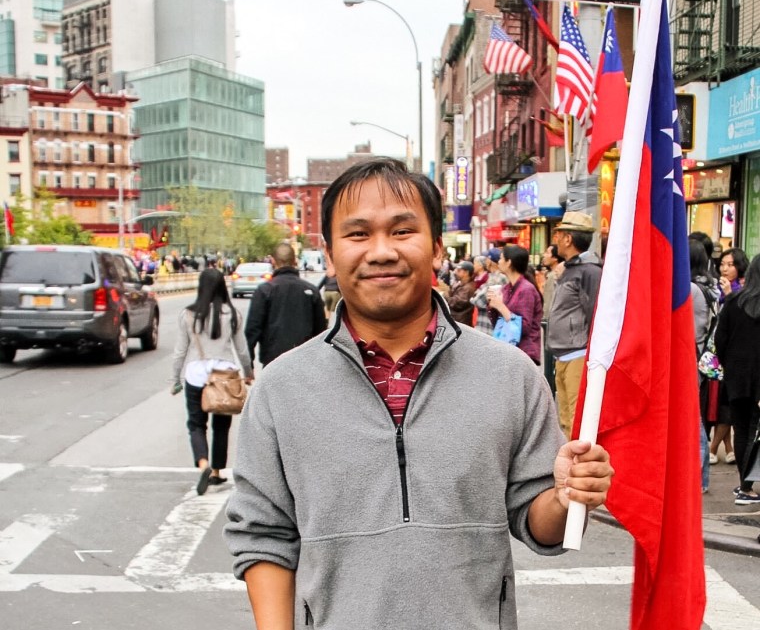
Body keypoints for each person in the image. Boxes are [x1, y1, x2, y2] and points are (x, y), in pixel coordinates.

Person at [224, 158, 613, 629]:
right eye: (359, 234)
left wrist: (568, 495)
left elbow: (539, 524)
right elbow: (263, 534)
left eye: (403, 230)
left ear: (435, 247)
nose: (382, 251)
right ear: (329, 255)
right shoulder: (280, 388)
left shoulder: (512, 376)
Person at [171, 268, 253, 495]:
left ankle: (202, 463)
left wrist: (175, 379)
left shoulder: (188, 314)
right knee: (221, 427)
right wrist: (248, 371)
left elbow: (180, 351)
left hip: (196, 374)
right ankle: (217, 471)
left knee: (196, 424)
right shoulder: (233, 314)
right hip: (224, 375)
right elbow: (242, 349)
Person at [546, 212, 603, 439]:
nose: (556, 239)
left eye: (558, 234)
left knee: (575, 419)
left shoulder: (589, 271)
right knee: (566, 419)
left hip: (578, 354)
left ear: (568, 239)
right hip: (564, 354)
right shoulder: (570, 269)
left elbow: (595, 316)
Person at [715, 253, 760, 505]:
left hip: (736, 378)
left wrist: (729, 364)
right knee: (754, 431)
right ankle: (747, 486)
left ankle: (744, 485)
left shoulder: (733, 302)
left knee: (741, 430)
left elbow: (720, 340)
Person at [244, 243, 327, 367]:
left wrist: (248, 364)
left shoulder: (265, 291)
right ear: (295, 261)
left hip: (272, 362)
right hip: (305, 362)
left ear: (273, 261)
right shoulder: (311, 291)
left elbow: (252, 331)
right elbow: (321, 332)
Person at [689, 240, 719, 494]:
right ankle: (700, 478)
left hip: (689, 358)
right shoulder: (709, 286)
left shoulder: (691, 289)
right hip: (699, 357)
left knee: (692, 420)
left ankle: (699, 479)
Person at [487, 245, 543, 365]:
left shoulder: (526, 289)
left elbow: (525, 327)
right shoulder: (507, 288)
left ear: (509, 263)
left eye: (501, 258)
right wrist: (493, 306)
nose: (499, 262)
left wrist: (501, 306)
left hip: (524, 352)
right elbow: (498, 322)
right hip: (509, 349)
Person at [541, 244, 564, 394]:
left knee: (551, 366)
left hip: (553, 323)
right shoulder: (552, 274)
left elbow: (551, 302)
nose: (544, 255)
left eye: (548, 252)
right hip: (552, 322)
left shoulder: (555, 274)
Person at [446, 260, 477, 326]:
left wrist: (442, 295)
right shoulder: (461, 284)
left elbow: (456, 303)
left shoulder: (468, 288)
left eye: (459, 270)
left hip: (461, 323)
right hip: (457, 321)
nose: (455, 272)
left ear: (466, 273)